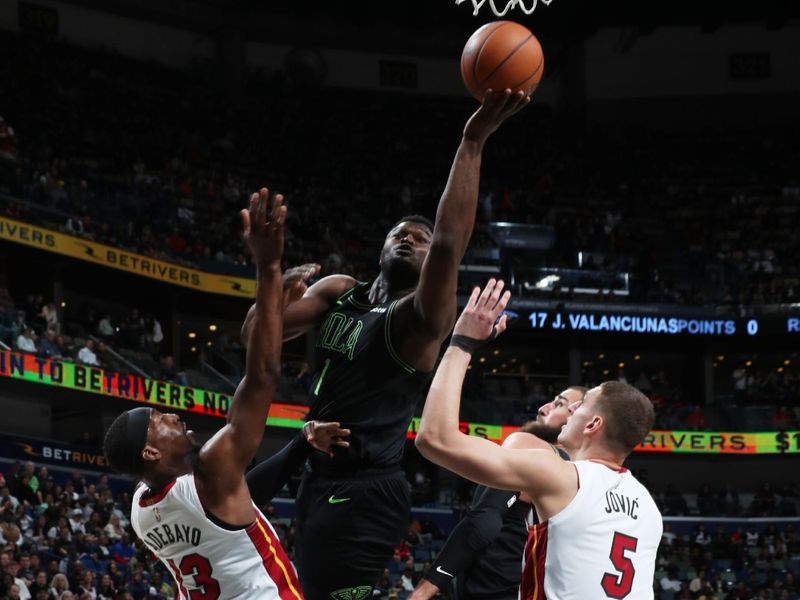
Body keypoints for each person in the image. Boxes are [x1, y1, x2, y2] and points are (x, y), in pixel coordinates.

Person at [244, 90, 530, 600]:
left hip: (366, 488)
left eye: (419, 239)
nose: (409, 239)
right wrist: (272, 279)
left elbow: (448, 241)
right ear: (379, 247)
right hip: (317, 473)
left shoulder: (417, 319)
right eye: (400, 234)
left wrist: (472, 141)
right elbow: (254, 340)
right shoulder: (338, 290)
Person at [103, 189, 302, 598]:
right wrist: (269, 266)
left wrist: (300, 445)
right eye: (159, 421)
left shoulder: (142, 510)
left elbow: (241, 492)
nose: (173, 417)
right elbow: (263, 375)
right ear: (150, 453)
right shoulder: (211, 472)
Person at [415, 279, 662, 600]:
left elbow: (434, 439)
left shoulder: (559, 474)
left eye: (581, 405)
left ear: (594, 424)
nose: (572, 407)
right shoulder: (649, 508)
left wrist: (461, 344)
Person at [410, 387, 586, 600]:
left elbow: (485, 521)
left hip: (494, 586)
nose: (542, 408)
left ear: (580, 418)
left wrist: (424, 590)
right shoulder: (590, 476)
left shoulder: (529, 445)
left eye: (559, 404)